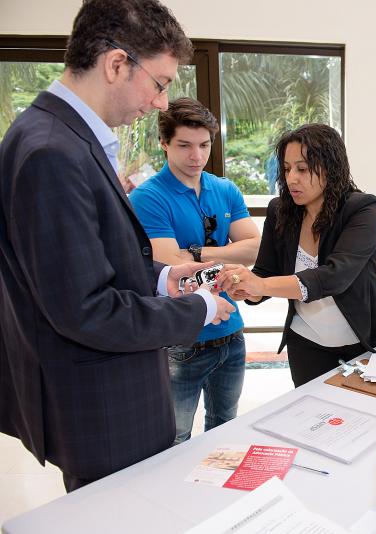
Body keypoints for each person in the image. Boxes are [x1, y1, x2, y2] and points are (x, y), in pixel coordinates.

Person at [0, 0, 235, 492]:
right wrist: (197, 307)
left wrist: (162, 278)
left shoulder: (65, 139)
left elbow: (86, 263)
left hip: (109, 396)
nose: (161, 103)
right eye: (160, 83)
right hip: (103, 410)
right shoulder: (51, 152)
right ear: (116, 64)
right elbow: (85, 310)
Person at [216, 124, 376, 387]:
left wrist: (261, 285)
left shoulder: (361, 208)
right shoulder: (280, 211)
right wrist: (247, 288)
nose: (291, 179)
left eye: (302, 169)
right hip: (306, 342)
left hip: (363, 341)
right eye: (287, 169)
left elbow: (336, 276)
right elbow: (266, 272)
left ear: (331, 167)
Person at [129, 98, 260, 443]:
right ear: (164, 143)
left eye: (204, 145)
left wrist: (196, 252)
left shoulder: (225, 189)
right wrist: (227, 257)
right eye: (184, 145)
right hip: (181, 338)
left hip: (230, 331)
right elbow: (174, 268)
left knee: (225, 432)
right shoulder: (148, 197)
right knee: (173, 440)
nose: (196, 156)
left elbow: (254, 248)